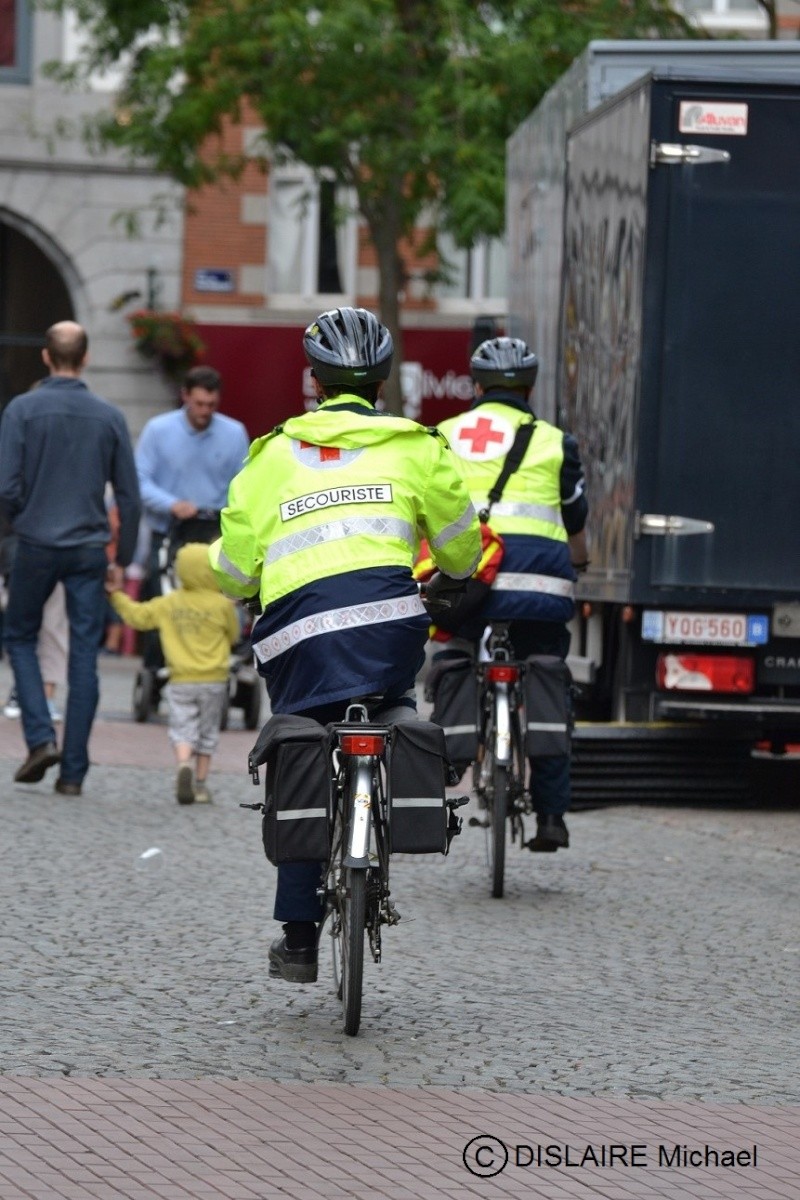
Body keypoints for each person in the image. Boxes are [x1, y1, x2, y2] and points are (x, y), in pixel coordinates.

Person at [210, 306, 481, 984]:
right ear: (383, 382)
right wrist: (450, 576)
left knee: (302, 739)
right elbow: (459, 550)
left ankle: (299, 938)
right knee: (390, 700)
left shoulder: (272, 453)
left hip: (299, 638)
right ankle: (396, 781)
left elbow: (237, 568)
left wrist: (234, 569)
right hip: (389, 628)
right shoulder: (419, 446)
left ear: (314, 381)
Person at [435, 336, 588, 852]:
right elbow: (576, 516)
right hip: (539, 585)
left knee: (454, 652)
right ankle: (551, 817)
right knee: (546, 670)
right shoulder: (553, 441)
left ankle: (451, 757)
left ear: (476, 386)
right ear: (530, 386)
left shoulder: (445, 435)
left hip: (469, 579)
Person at [0, 320, 141, 795]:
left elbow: (5, 486)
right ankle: (74, 773)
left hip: (36, 541)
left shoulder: (21, 410)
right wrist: (121, 556)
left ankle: (40, 736)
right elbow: (128, 494)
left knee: (19, 636)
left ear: (45, 356)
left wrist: (20, 522)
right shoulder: (109, 416)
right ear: (84, 358)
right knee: (84, 655)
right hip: (86, 547)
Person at [107, 542, 240, 804]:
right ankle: (201, 785)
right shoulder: (222, 605)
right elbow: (234, 635)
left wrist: (116, 595)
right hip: (214, 679)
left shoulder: (170, 603)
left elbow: (138, 616)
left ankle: (182, 763)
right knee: (208, 731)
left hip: (180, 679)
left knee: (182, 728)